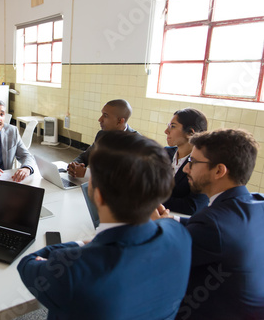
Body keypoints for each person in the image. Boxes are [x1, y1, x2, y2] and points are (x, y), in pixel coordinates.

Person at [18, 131, 192, 319]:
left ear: (99, 195)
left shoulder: (73, 270)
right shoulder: (179, 235)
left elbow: (27, 264)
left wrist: (83, 244)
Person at [170, 129, 264, 319]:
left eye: (193, 162)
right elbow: (219, 231)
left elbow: (161, 258)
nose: (186, 168)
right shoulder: (257, 202)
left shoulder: (212, 223)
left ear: (219, 170)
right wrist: (173, 220)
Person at [67, 99, 137, 177]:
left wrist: (86, 174)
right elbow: (86, 156)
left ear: (120, 121)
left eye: (105, 115)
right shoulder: (102, 134)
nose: (100, 119)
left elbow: (125, 178)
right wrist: (74, 166)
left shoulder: (136, 143)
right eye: (102, 114)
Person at [163, 108, 209, 215]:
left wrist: (153, 199)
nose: (166, 131)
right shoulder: (165, 153)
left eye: (172, 126)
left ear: (190, 133)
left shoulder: (203, 163)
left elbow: (192, 206)